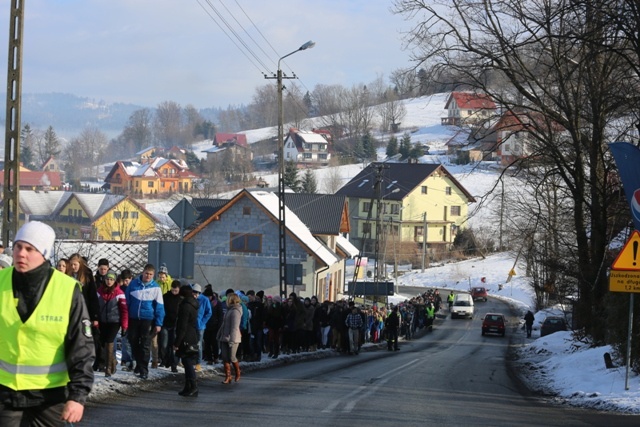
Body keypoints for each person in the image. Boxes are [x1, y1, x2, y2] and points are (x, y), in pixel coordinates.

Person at [0, 221, 94, 425]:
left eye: (29, 249)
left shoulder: (67, 290)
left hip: (49, 396)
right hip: (5, 393)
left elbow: (81, 346)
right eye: (18, 246)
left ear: (44, 254)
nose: (21, 254)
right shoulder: (1, 282)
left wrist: (78, 396)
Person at [125, 264, 165, 379]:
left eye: (151, 274)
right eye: (146, 273)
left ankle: (144, 369)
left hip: (147, 319)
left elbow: (160, 307)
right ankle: (138, 363)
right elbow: (127, 302)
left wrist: (158, 323)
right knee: (133, 341)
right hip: (133, 318)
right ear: (143, 272)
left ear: (153, 275)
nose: (148, 276)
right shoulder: (133, 284)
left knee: (145, 344)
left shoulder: (156, 288)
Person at [66, 253, 102, 371]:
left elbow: (92, 296)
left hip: (84, 309)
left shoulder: (86, 275)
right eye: (71, 265)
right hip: (69, 310)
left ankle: (89, 360)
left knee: (85, 336)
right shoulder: (67, 275)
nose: (73, 267)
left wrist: (95, 316)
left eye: (75, 264)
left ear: (80, 264)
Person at [97, 270, 128, 377]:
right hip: (102, 321)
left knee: (110, 342)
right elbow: (96, 307)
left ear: (115, 281)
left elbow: (124, 311)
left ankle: (108, 368)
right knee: (103, 343)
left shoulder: (120, 294)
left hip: (115, 321)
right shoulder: (99, 292)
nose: (109, 281)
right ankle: (113, 361)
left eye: (111, 279)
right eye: (107, 279)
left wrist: (124, 326)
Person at [173, 284, 199, 397]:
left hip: (186, 337)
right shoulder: (193, 304)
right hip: (192, 335)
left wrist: (177, 343)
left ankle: (193, 386)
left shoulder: (185, 307)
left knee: (187, 362)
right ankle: (188, 386)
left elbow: (183, 327)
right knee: (186, 361)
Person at [217, 293, 242, 384]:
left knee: (232, 357)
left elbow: (234, 327)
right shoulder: (229, 310)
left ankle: (237, 372)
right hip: (224, 337)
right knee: (225, 357)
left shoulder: (235, 311)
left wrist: (232, 340)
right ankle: (228, 376)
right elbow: (224, 324)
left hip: (233, 338)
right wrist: (219, 334)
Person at [161, 280, 182, 373]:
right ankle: (165, 360)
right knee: (164, 345)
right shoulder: (166, 297)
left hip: (176, 324)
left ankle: (174, 365)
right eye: (173, 290)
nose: (174, 292)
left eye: (176, 291)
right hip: (165, 323)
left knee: (173, 345)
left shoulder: (181, 299)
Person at [192, 283, 212, 371]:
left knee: (198, 344)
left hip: (200, 326)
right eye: (193, 292)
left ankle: (198, 363)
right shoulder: (191, 298)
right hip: (191, 325)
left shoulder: (204, 300)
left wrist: (202, 322)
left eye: (196, 293)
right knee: (191, 344)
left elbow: (209, 312)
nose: (195, 294)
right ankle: (191, 361)